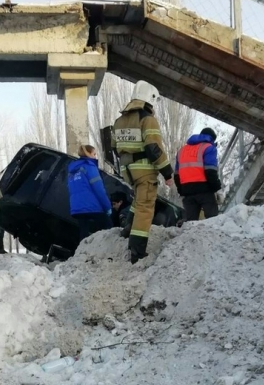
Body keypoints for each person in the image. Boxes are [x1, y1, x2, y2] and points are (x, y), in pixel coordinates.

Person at [113, 81, 173, 263]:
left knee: (138, 201)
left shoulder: (119, 121)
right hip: (145, 171)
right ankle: (137, 252)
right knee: (146, 208)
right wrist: (168, 173)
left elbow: (115, 148)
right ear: (150, 99)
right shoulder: (147, 119)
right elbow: (153, 148)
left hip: (127, 170)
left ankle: (127, 229)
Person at [175, 127, 225, 221]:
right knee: (212, 222)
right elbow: (210, 172)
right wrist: (218, 189)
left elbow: (177, 175)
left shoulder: (181, 151)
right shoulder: (208, 147)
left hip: (187, 192)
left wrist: (181, 191)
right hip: (205, 191)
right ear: (212, 138)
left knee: (190, 224)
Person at [67, 145, 113, 242]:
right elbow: (99, 189)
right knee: (109, 230)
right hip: (92, 207)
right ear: (88, 154)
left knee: (84, 235)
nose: (95, 157)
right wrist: (107, 207)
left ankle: (82, 254)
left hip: (77, 208)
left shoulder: (72, 170)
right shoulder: (89, 166)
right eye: (94, 154)